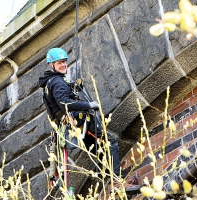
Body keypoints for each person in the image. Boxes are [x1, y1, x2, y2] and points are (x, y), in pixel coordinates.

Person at [38, 47, 140, 191]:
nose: (64, 65)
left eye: (65, 62)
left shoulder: (51, 83)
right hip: (78, 124)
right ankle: (118, 183)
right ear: (51, 65)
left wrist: (72, 86)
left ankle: (116, 180)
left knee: (99, 150)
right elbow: (64, 103)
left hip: (73, 128)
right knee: (110, 143)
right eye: (60, 62)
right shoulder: (56, 81)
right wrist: (88, 105)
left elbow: (60, 100)